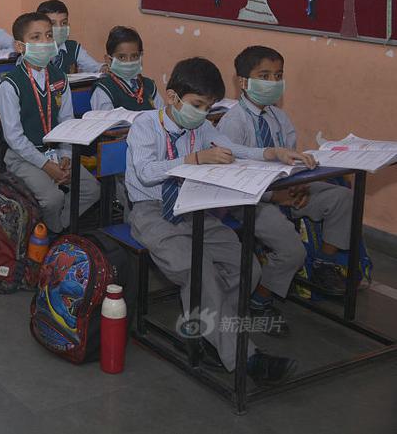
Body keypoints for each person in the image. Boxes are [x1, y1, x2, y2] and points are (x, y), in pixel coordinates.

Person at [126, 56, 313, 382]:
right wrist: (194, 159)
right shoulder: (145, 124)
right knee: (199, 273)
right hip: (152, 213)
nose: (202, 114)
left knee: (247, 266)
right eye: (197, 105)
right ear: (173, 97)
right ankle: (245, 357)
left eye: (208, 107)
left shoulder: (202, 125)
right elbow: (144, 172)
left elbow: (235, 148)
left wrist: (273, 154)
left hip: (193, 209)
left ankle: (201, 328)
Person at [218, 46, 350, 302]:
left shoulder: (280, 117)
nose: (274, 82)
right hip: (249, 201)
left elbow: (290, 160)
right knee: (292, 251)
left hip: (286, 188)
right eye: (265, 76)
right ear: (243, 82)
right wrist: (276, 197)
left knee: (341, 198)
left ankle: (323, 264)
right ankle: (261, 298)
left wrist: (300, 184)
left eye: (278, 76)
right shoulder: (234, 122)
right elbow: (230, 178)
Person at [0, 12, 100, 232]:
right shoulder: (10, 85)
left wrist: (65, 156)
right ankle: (48, 239)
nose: (44, 42)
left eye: (49, 35)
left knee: (92, 190)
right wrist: (46, 166)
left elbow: (67, 122)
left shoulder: (60, 78)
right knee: (53, 199)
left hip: (57, 152)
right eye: (35, 37)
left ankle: (56, 229)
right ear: (20, 46)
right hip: (23, 157)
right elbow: (14, 137)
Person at [90, 26, 163, 111]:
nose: (129, 62)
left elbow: (162, 117)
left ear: (141, 56)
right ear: (109, 60)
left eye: (134, 56)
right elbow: (104, 122)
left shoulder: (149, 86)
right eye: (122, 57)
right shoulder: (104, 90)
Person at [36, 0, 102, 75]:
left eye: (64, 23)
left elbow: (94, 67)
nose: (60, 28)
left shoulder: (72, 47)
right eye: (53, 23)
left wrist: (103, 68)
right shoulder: (34, 50)